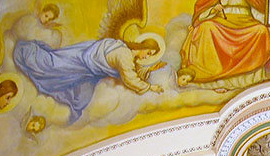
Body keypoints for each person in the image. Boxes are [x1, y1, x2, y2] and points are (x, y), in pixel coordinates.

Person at [14, 37, 162, 124]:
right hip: (81, 63)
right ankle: (27, 52)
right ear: (143, 46)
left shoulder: (123, 47)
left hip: (86, 68)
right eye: (148, 53)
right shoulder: (125, 56)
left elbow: (131, 72)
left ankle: (64, 111)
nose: (147, 57)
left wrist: (150, 70)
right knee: (51, 65)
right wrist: (150, 87)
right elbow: (130, 78)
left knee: (81, 96)